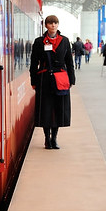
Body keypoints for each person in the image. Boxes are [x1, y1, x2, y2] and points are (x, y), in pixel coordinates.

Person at [29, 15, 75, 149]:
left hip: (61, 79)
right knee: (46, 109)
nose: (53, 25)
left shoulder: (65, 41)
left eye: (55, 23)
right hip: (44, 80)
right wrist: (34, 80)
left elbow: (69, 62)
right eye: (50, 23)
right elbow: (33, 63)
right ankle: (46, 138)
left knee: (58, 108)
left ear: (58, 25)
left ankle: (54, 138)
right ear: (46, 25)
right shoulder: (39, 42)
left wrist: (71, 79)